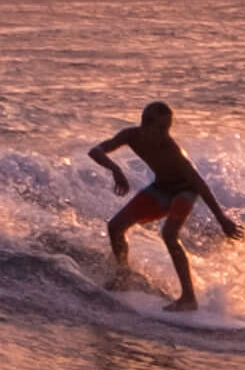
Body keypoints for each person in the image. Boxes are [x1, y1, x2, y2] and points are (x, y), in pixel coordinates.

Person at [89, 101, 236, 307]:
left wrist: (222, 219)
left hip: (185, 191)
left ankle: (188, 298)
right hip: (161, 189)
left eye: (168, 128)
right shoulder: (131, 136)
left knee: (169, 234)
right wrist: (116, 169)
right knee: (115, 227)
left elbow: (199, 184)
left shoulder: (172, 150)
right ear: (145, 126)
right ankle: (123, 276)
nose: (166, 134)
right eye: (161, 128)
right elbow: (95, 151)